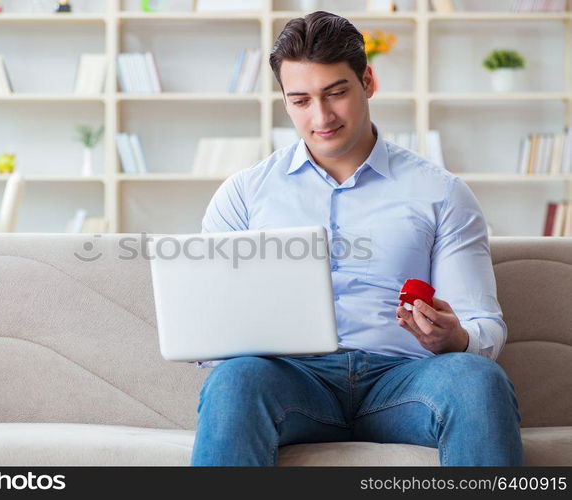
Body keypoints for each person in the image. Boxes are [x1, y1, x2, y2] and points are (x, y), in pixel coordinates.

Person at [191, 11, 523, 467]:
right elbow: (208, 330)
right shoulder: (245, 195)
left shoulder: (440, 192)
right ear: (285, 101)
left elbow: (484, 322)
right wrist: (228, 339)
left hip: (407, 380)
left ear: (368, 81)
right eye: (301, 100)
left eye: (336, 93)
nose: (321, 116)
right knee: (233, 380)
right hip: (292, 380)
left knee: (477, 379)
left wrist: (456, 339)